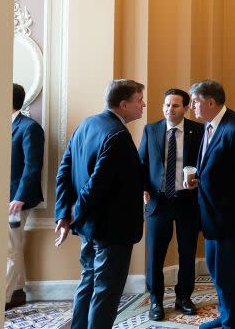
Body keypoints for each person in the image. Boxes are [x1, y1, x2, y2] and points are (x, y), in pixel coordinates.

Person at [54, 79, 146, 329]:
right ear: (124, 104)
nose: (143, 104)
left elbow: (63, 172)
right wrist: (74, 213)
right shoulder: (117, 135)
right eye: (139, 100)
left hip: (90, 227)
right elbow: (96, 185)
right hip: (112, 230)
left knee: (88, 282)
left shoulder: (87, 124)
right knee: (106, 292)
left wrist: (65, 213)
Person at [183, 79, 235, 329]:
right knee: (216, 269)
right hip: (210, 214)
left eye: (195, 102)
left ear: (210, 102)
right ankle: (229, 314)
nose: (192, 107)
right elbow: (219, 167)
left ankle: (231, 323)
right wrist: (199, 180)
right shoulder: (209, 126)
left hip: (229, 216)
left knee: (227, 272)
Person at [139, 88, 202, 320]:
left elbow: (206, 164)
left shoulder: (199, 131)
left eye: (175, 106)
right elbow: (142, 163)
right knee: (155, 255)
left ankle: (183, 298)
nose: (169, 109)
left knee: (187, 253)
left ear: (185, 108)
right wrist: (143, 188)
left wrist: (199, 181)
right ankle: (156, 301)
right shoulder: (151, 130)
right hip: (158, 202)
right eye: (166, 105)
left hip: (188, 201)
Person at [7, 83, 45, 310]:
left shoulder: (29, 127)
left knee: (8, 248)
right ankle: (18, 292)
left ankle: (2, 298)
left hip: (17, 201)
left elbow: (33, 166)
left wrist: (19, 198)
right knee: (13, 246)